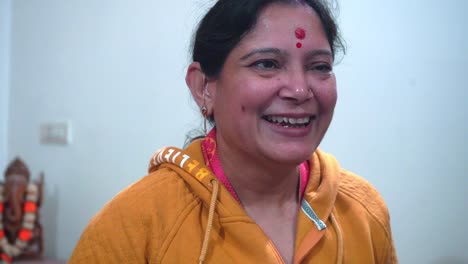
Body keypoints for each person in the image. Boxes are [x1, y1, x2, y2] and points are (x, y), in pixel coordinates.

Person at [69, 0, 398, 263]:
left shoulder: (363, 212)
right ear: (204, 88)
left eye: (319, 67)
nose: (300, 91)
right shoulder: (135, 226)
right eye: (267, 64)